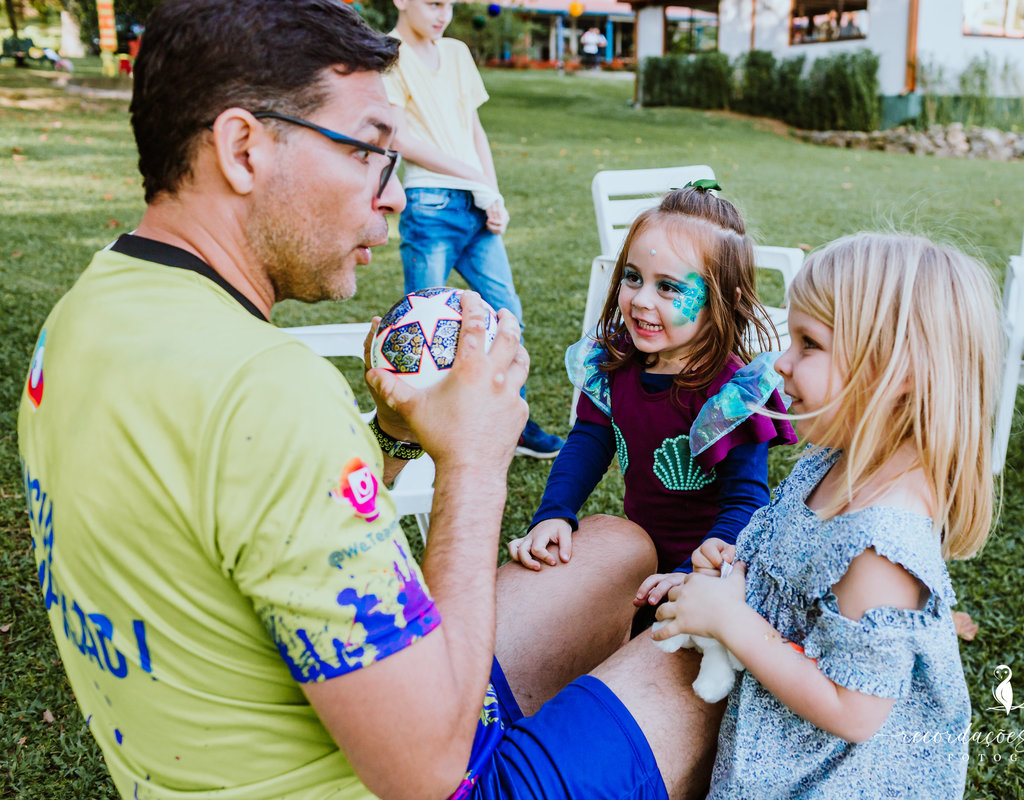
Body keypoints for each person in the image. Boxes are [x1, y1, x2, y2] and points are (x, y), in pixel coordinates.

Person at [17, 1, 723, 798]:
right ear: (243, 149)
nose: (391, 195)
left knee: (618, 546)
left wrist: (391, 437)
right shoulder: (266, 393)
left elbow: (272, 536)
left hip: (341, 709)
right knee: (712, 650)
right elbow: (428, 771)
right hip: (415, 767)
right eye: (369, 152)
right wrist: (476, 460)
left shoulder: (83, 316)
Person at [652, 232, 1003, 797]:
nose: (781, 364)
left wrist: (731, 621)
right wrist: (731, 577)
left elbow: (853, 710)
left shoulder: (881, 544)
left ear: (898, 371)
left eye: (807, 343)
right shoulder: (830, 462)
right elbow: (791, 579)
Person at [507, 185, 796, 604]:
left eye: (669, 288)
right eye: (633, 277)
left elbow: (745, 501)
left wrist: (694, 572)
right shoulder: (615, 362)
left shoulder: (731, 395)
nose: (640, 299)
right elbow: (589, 439)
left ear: (722, 301)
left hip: (711, 573)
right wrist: (554, 511)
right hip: (638, 555)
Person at [383, 0, 564, 459]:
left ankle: (513, 424)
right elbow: (400, 138)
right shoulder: (387, 53)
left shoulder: (459, 52)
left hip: (477, 205)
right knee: (421, 331)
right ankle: (422, 436)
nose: (443, 13)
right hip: (431, 205)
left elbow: (474, 128)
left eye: (450, 4)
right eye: (433, 3)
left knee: (509, 315)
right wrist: (472, 177)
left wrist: (492, 192)